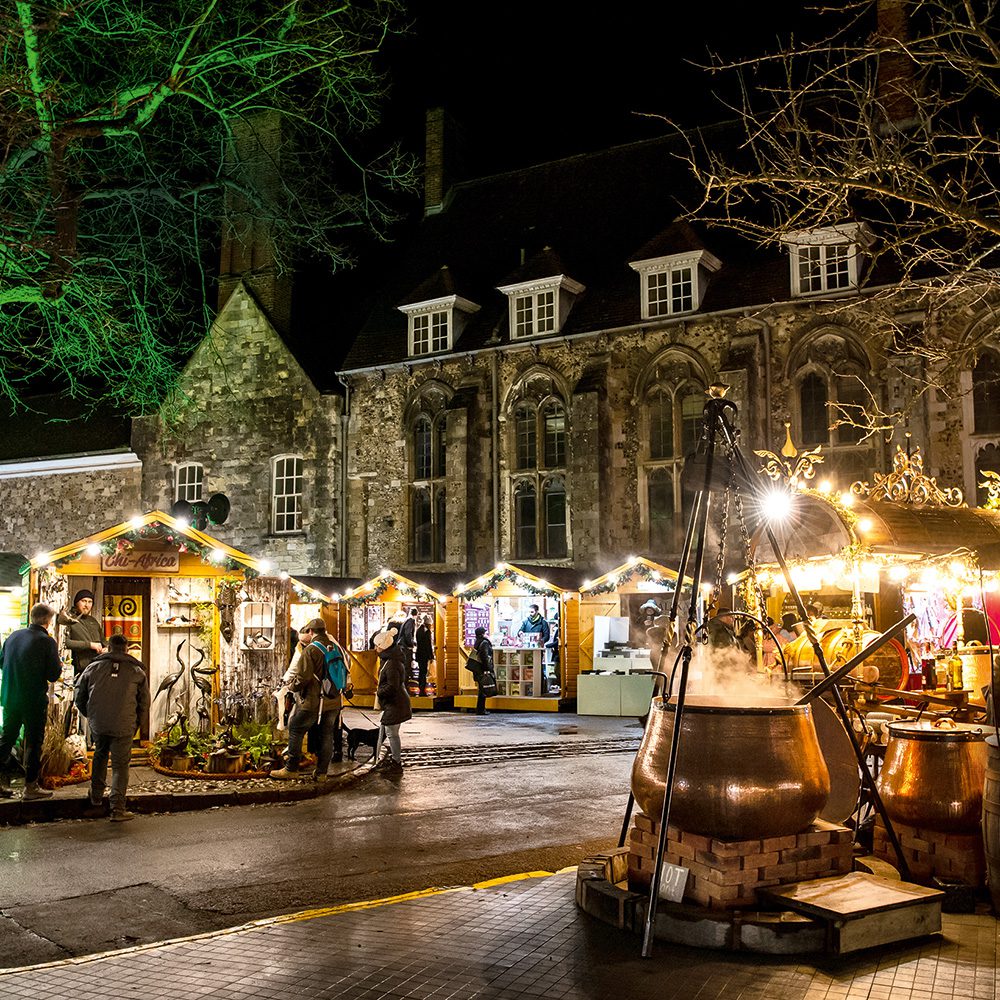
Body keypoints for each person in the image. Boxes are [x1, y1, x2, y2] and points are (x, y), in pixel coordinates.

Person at [74, 633, 149, 822]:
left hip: (99, 723)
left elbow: (79, 697)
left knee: (99, 758)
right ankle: (117, 809)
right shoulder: (136, 671)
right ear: (126, 648)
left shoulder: (93, 667)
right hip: (124, 725)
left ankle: (96, 800)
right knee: (120, 766)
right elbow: (144, 703)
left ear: (109, 647)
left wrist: (91, 716)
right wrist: (136, 724)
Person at [0, 603, 62, 801]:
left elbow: (1, 663)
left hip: (10, 696)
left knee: (6, 739)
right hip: (33, 700)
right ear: (47, 621)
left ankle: (1, 783)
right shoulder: (47, 641)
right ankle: (30, 786)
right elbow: (53, 675)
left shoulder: (13, 637)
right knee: (34, 743)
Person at [270, 618, 345, 782]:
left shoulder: (312, 650)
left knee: (296, 727)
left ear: (311, 632)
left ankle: (291, 769)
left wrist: (291, 687)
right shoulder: (335, 647)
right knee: (327, 735)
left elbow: (302, 677)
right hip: (334, 700)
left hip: (315, 701)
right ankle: (321, 773)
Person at [372, 638, 411, 771]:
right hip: (395, 702)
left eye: (377, 646)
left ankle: (396, 762)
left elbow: (392, 686)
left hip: (395, 703)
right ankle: (395, 760)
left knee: (392, 733)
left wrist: (379, 692)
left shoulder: (392, 663)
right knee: (391, 732)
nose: (375, 648)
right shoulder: (391, 660)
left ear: (383, 647)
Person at [58, 589, 106, 676]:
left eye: (90, 602)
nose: (86, 605)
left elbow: (103, 642)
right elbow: (65, 642)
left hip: (97, 668)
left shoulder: (93, 621)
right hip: (78, 670)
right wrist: (90, 645)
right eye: (83, 601)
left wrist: (106, 648)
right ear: (76, 602)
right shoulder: (68, 619)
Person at [471, 626, 495, 715]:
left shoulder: (477, 642)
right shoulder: (484, 643)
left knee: (481, 689)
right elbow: (484, 657)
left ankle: (480, 709)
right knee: (482, 690)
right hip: (482, 669)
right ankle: (481, 709)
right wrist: (488, 669)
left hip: (477, 669)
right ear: (482, 634)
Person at [399, 607, 418, 688]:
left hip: (402, 646)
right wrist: (411, 644)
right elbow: (408, 634)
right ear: (416, 615)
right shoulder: (411, 621)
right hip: (405, 647)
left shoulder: (406, 620)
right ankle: (405, 686)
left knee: (404, 666)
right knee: (407, 667)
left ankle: (404, 685)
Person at [415, 614, 434, 697]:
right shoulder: (427, 632)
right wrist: (431, 656)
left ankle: (421, 689)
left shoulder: (419, 630)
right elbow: (428, 644)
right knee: (423, 672)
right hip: (424, 655)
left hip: (419, 654)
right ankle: (422, 690)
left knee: (421, 672)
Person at [544, 617, 560, 694]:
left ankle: (560, 686)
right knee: (556, 671)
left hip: (558, 654)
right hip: (557, 653)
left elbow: (557, 642)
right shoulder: (559, 630)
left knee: (557, 671)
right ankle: (560, 687)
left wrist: (547, 645)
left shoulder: (560, 630)